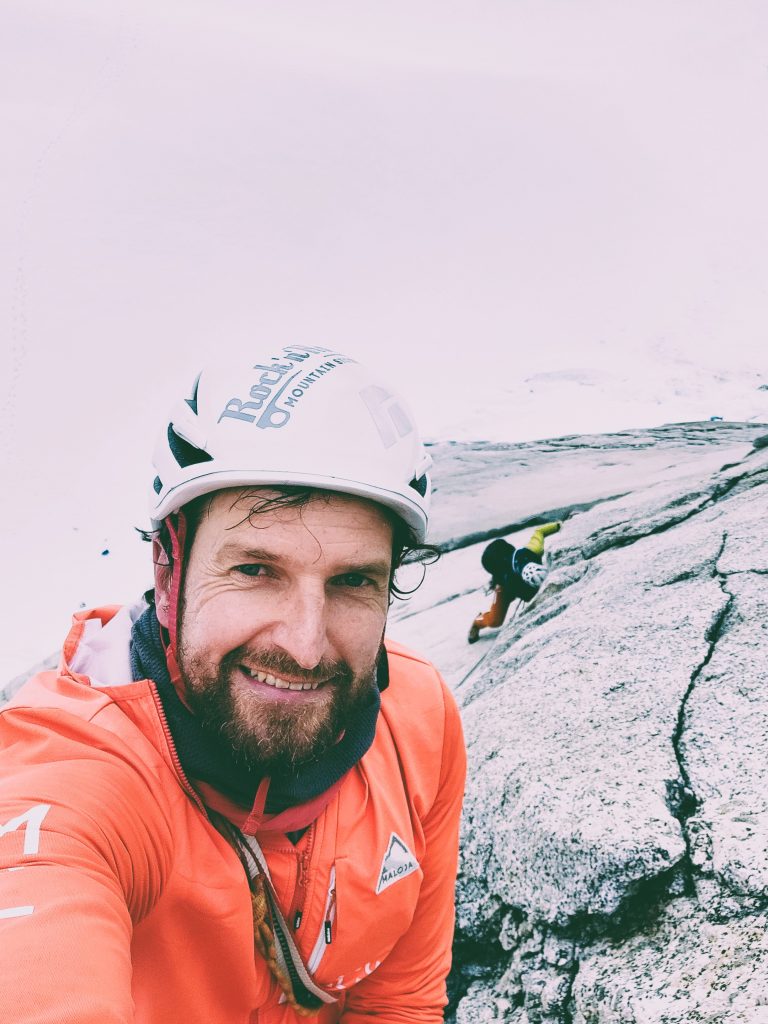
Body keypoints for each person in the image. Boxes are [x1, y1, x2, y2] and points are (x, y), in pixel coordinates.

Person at [0, 346, 466, 1022]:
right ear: (168, 573)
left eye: (352, 581)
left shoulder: (418, 717)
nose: (304, 646)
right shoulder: (79, 778)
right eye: (254, 570)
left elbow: (400, 1000)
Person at [467, 522, 561, 643]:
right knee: (495, 620)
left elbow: (540, 531)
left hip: (513, 583)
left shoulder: (531, 551)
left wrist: (558, 525)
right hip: (505, 589)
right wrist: (558, 525)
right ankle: (477, 622)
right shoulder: (531, 551)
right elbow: (539, 532)